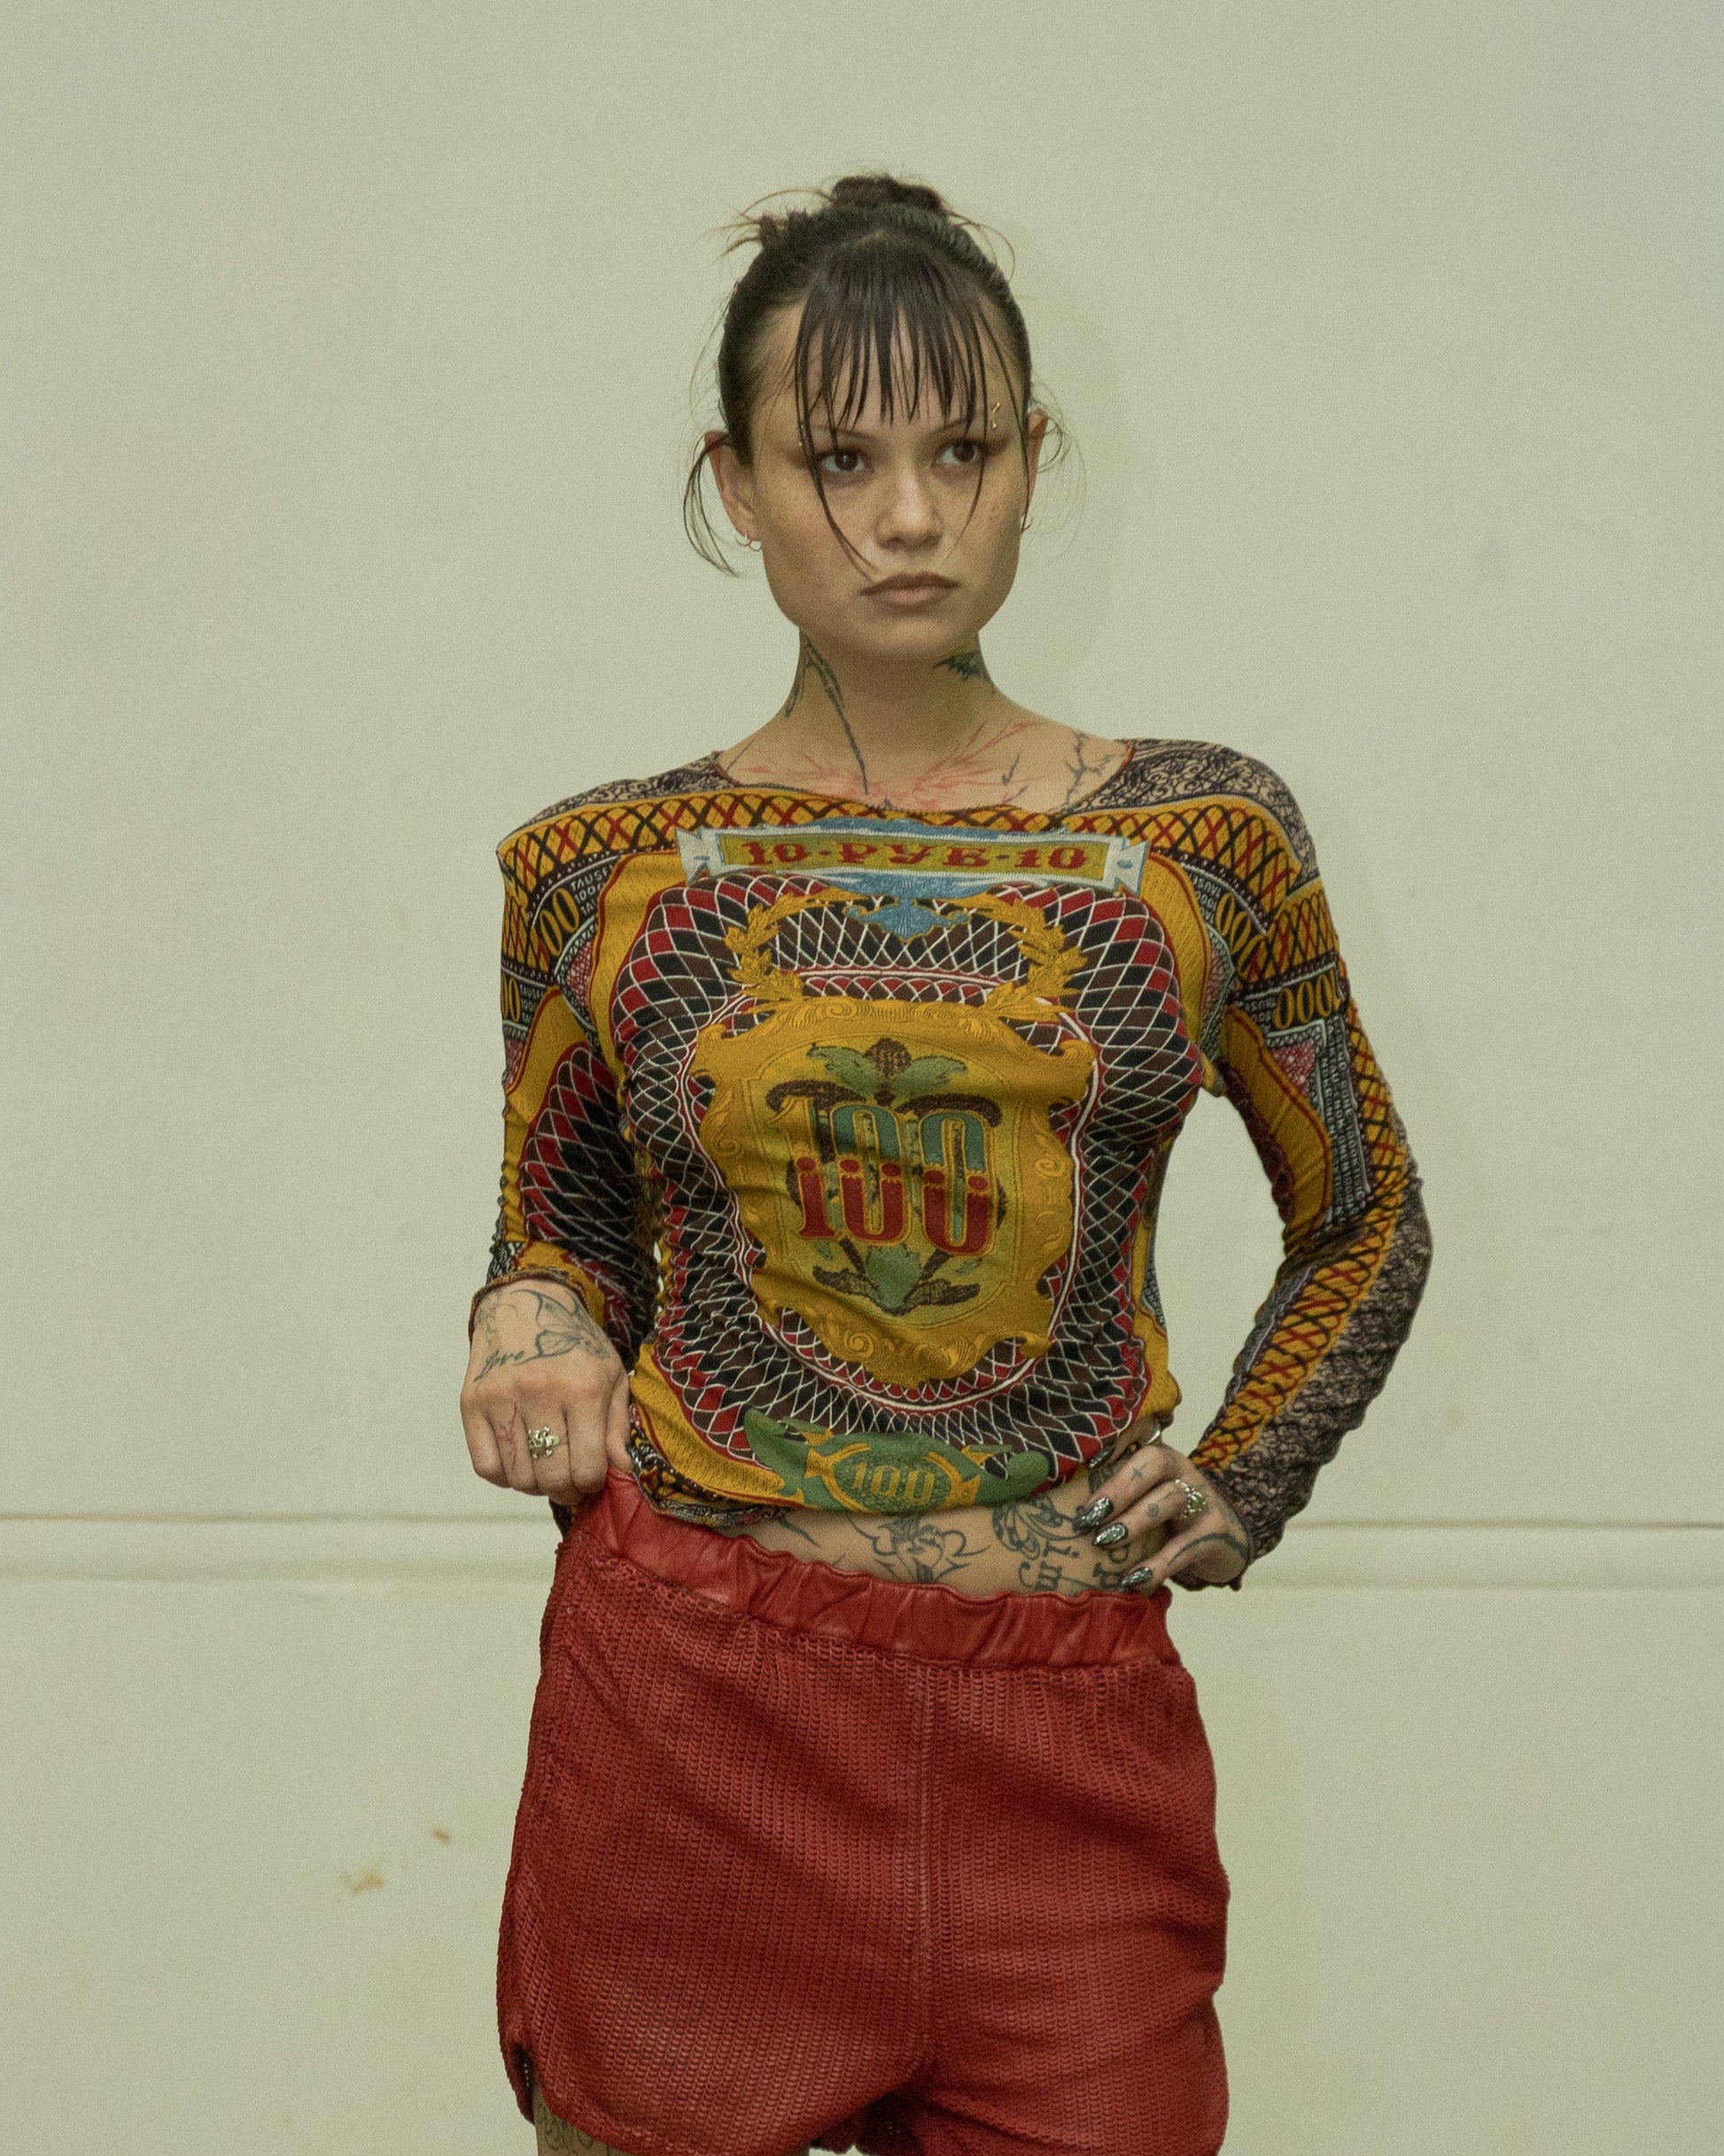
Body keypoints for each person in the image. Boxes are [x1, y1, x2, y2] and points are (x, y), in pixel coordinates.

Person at [460, 174, 1431, 2156]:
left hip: (1066, 1716)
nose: (908, 516)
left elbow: (1364, 1214)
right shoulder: (594, 874)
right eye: (838, 458)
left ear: (1030, 462)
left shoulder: (1204, 840)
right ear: (733, 482)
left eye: (959, 449)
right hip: (696, 1716)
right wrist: (528, 1316)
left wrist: (1250, 1469)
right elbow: (558, 1222)